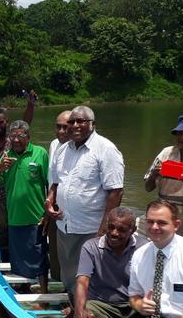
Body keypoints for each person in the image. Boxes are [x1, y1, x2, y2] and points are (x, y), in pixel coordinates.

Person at [45, 106, 125, 295]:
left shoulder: (106, 149)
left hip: (91, 227)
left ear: (92, 124)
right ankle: (73, 304)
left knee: (90, 274)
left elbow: (116, 191)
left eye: (81, 121)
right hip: (64, 224)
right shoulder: (62, 150)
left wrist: (104, 227)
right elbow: (56, 183)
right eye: (71, 122)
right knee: (69, 272)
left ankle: (89, 308)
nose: (75, 125)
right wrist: (49, 201)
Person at [0, 120, 49, 295]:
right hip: (14, 218)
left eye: (20, 136)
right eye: (13, 135)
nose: (16, 139)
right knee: (19, 259)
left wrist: (47, 213)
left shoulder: (40, 153)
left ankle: (44, 295)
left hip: (36, 217)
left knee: (39, 257)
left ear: (28, 137)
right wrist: (0, 168)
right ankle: (24, 291)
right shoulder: (6, 156)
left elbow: (50, 183)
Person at [0, 91, 37, 261]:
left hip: (12, 195)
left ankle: (23, 262)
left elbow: (26, 123)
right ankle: (6, 263)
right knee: (2, 235)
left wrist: (30, 104)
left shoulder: (13, 140)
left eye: (0, 122)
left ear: (7, 122)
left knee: (18, 231)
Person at [69, 207, 147, 318]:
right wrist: (79, 310)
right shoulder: (91, 247)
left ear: (133, 230)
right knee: (86, 311)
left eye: (121, 229)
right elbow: (82, 282)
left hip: (134, 304)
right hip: (101, 305)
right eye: (111, 227)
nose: (114, 233)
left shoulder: (144, 248)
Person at [47, 109, 72, 282]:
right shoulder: (54, 144)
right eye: (58, 127)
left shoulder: (80, 149)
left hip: (72, 209)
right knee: (55, 249)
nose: (61, 132)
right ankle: (57, 282)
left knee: (72, 251)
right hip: (53, 205)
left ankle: (70, 289)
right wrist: (48, 202)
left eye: (65, 127)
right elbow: (52, 179)